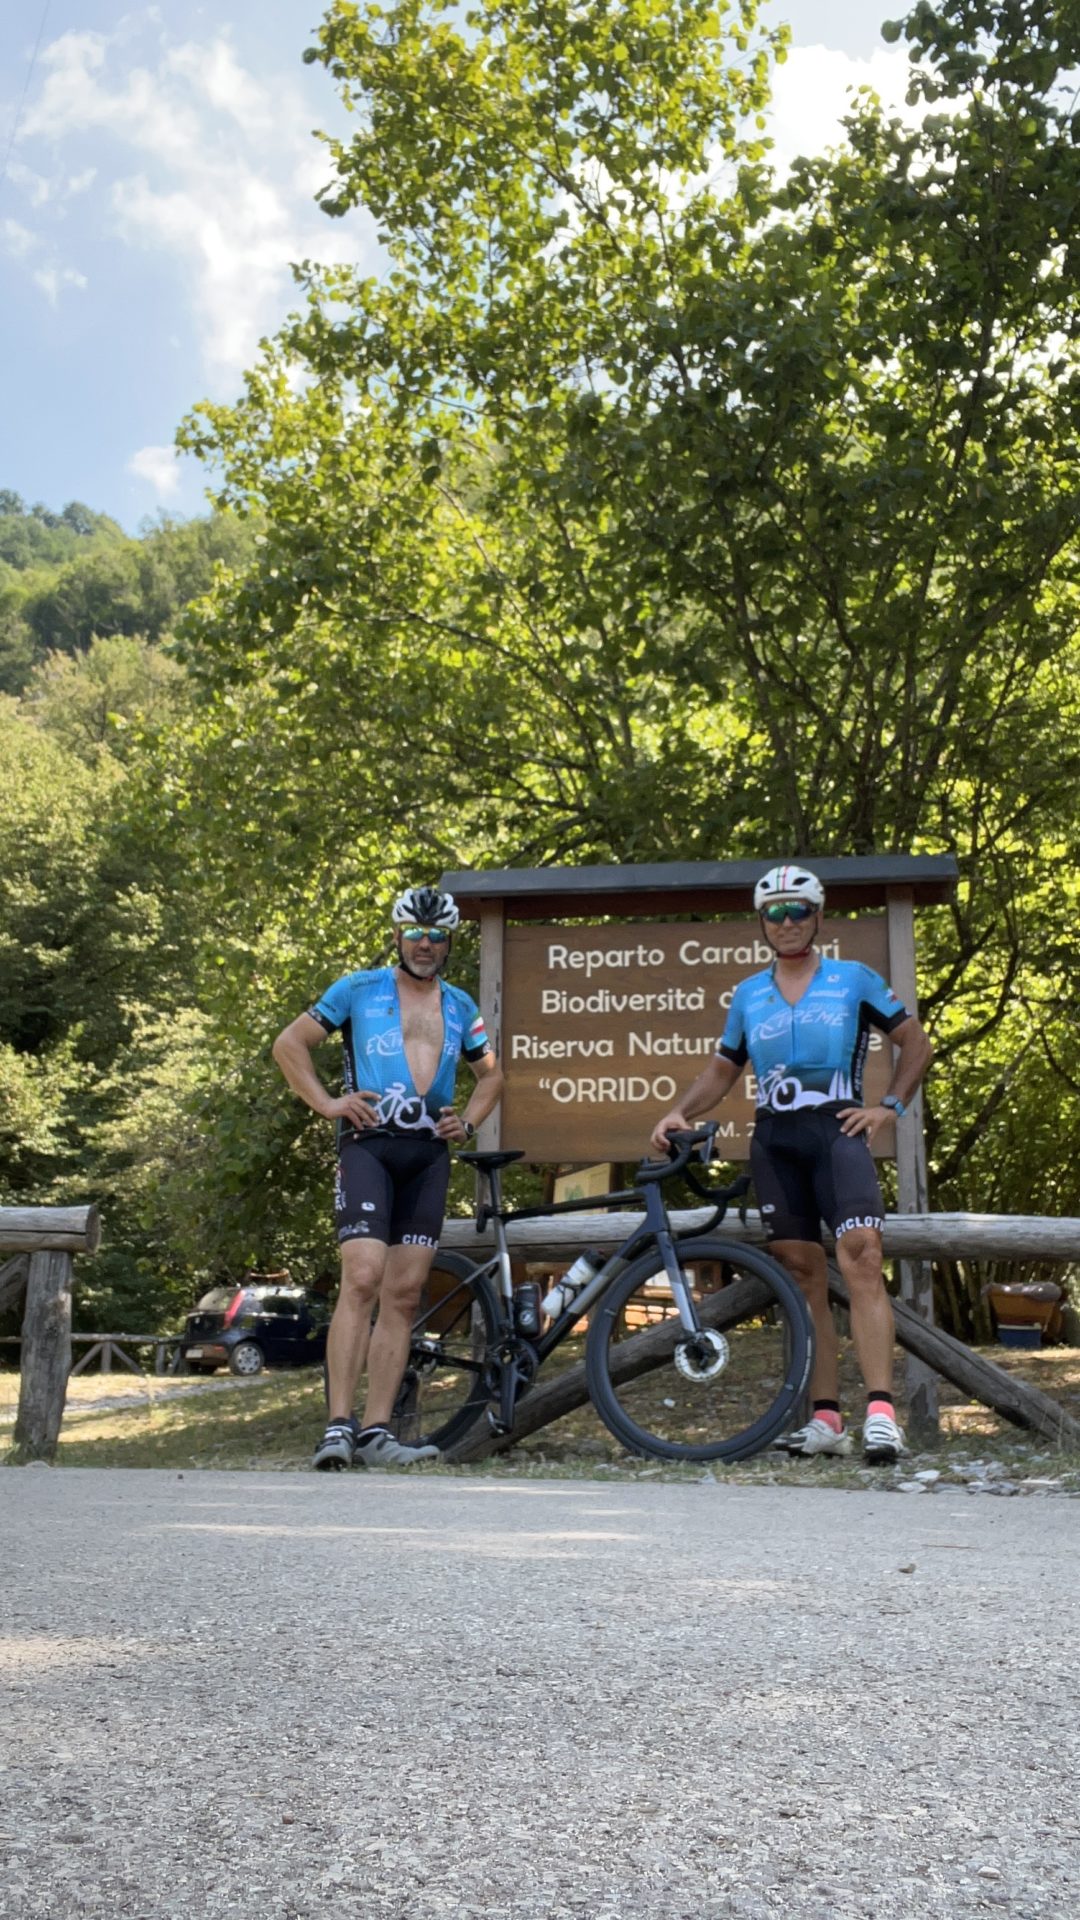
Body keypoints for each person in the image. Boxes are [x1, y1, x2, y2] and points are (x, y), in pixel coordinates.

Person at [650, 864, 933, 1465]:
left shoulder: (852, 979)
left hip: (839, 1135)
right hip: (776, 1142)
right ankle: (826, 1418)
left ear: (818, 915)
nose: (786, 923)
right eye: (774, 914)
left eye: (797, 911)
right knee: (803, 1278)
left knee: (863, 1259)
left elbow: (916, 1042)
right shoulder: (751, 994)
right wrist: (678, 1110)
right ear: (761, 922)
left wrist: (888, 1108)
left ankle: (881, 1413)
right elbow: (724, 1069)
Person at [272, 885, 504, 1471]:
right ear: (397, 935)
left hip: (427, 1155)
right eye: (415, 933)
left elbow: (492, 1077)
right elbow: (289, 1044)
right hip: (368, 1147)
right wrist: (327, 1103)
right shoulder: (359, 988)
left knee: (403, 1293)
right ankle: (337, 1427)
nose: (425, 944)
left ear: (451, 942)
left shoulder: (460, 1006)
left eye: (437, 936)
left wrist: (468, 1123)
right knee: (364, 1278)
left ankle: (376, 1432)